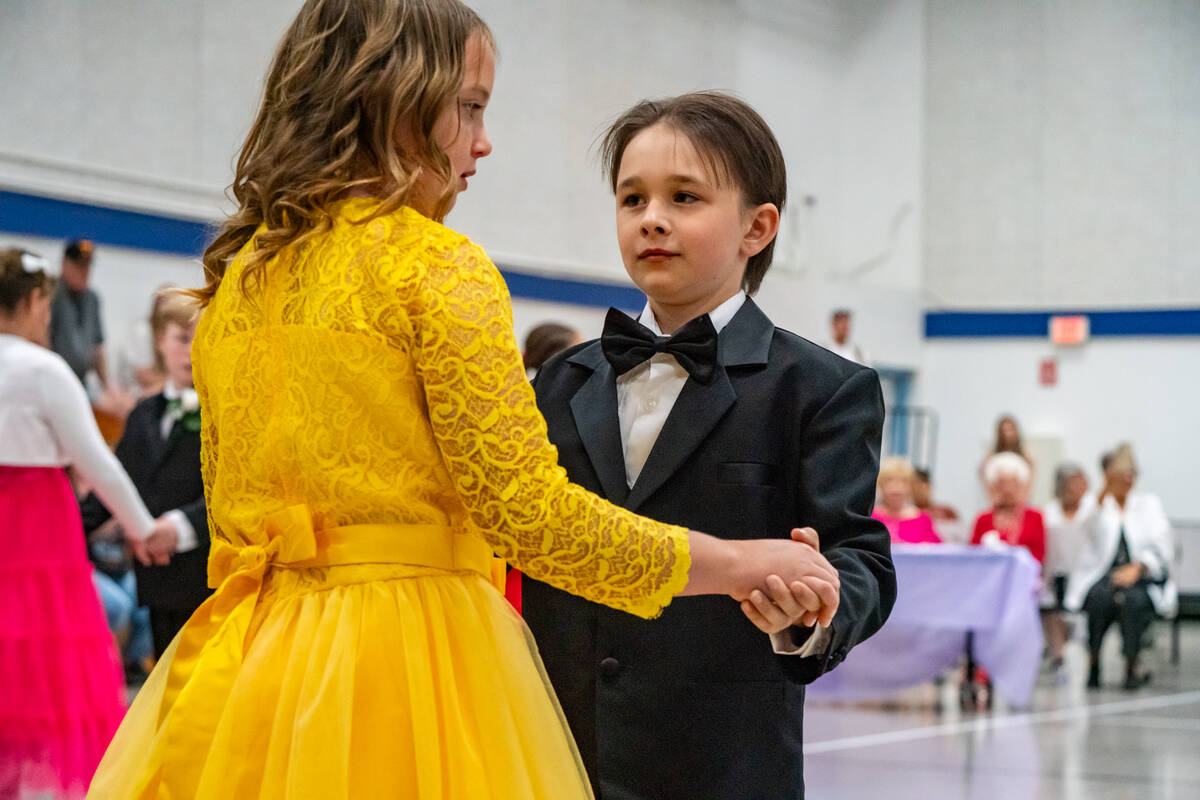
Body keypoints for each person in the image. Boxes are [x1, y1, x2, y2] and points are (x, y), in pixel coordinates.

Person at [87, 4, 838, 798]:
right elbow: (531, 517)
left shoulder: (240, 280)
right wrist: (737, 561)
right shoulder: (437, 267)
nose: (483, 141)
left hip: (255, 658)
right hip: (406, 664)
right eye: (471, 106)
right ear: (397, 99)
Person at [523, 92, 896, 799]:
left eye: (684, 197)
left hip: (724, 766)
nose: (652, 218)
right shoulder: (560, 383)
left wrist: (812, 611)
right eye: (632, 199)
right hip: (558, 756)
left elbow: (859, 556)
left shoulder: (821, 387)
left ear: (757, 227)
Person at [0, 247, 172, 799]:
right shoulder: (43, 369)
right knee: (44, 667)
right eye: (45, 307)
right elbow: (99, 464)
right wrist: (144, 530)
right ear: (30, 302)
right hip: (35, 530)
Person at [81, 291, 211, 660]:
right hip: (156, 575)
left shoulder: (225, 414)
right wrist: (65, 527)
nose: (190, 349)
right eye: (181, 338)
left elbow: (229, 493)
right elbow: (115, 483)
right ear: (159, 341)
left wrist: (179, 527)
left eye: (200, 338)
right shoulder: (142, 415)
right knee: (162, 682)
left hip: (207, 574)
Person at [1065, 445, 1175, 691]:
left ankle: (1131, 664)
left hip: (1139, 576)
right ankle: (1093, 662)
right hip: (1103, 575)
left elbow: (1162, 547)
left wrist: (1140, 567)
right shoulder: (1097, 504)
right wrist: (1104, 492)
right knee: (1098, 599)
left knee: (1132, 602)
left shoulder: (1148, 504)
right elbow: (1085, 529)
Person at [1041, 462, 1094, 675]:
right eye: (1073, 483)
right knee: (1052, 609)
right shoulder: (1050, 512)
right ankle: (1058, 654)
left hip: (1086, 572)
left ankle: (1086, 653)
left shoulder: (1092, 510)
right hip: (1058, 571)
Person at [971, 452, 1046, 564]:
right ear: (992, 487)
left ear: (1022, 486)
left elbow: (1038, 554)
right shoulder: (983, 519)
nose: (1007, 490)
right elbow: (973, 554)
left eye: (1013, 483)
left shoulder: (1035, 517)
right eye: (1001, 484)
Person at [872, 457, 941, 544]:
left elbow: (937, 552)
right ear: (880, 484)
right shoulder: (870, 517)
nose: (896, 487)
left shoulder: (923, 520)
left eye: (903, 482)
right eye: (889, 480)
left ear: (910, 486)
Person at [979, 413, 1034, 487]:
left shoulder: (1025, 456)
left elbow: (1029, 480)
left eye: (1010, 430)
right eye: (1004, 431)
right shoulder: (991, 455)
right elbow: (983, 474)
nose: (1007, 434)